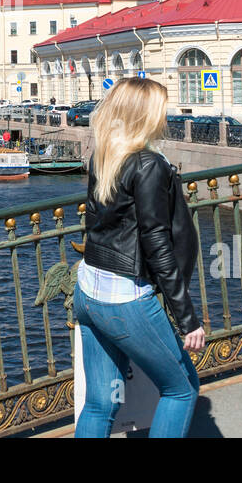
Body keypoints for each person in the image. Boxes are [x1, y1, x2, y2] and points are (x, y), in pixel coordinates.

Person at [73, 77, 204, 438]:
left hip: (88, 291)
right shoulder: (148, 165)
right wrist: (187, 319)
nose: (166, 116)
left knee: (100, 403)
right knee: (181, 389)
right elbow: (156, 242)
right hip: (124, 301)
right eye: (161, 110)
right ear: (145, 116)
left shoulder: (105, 152)